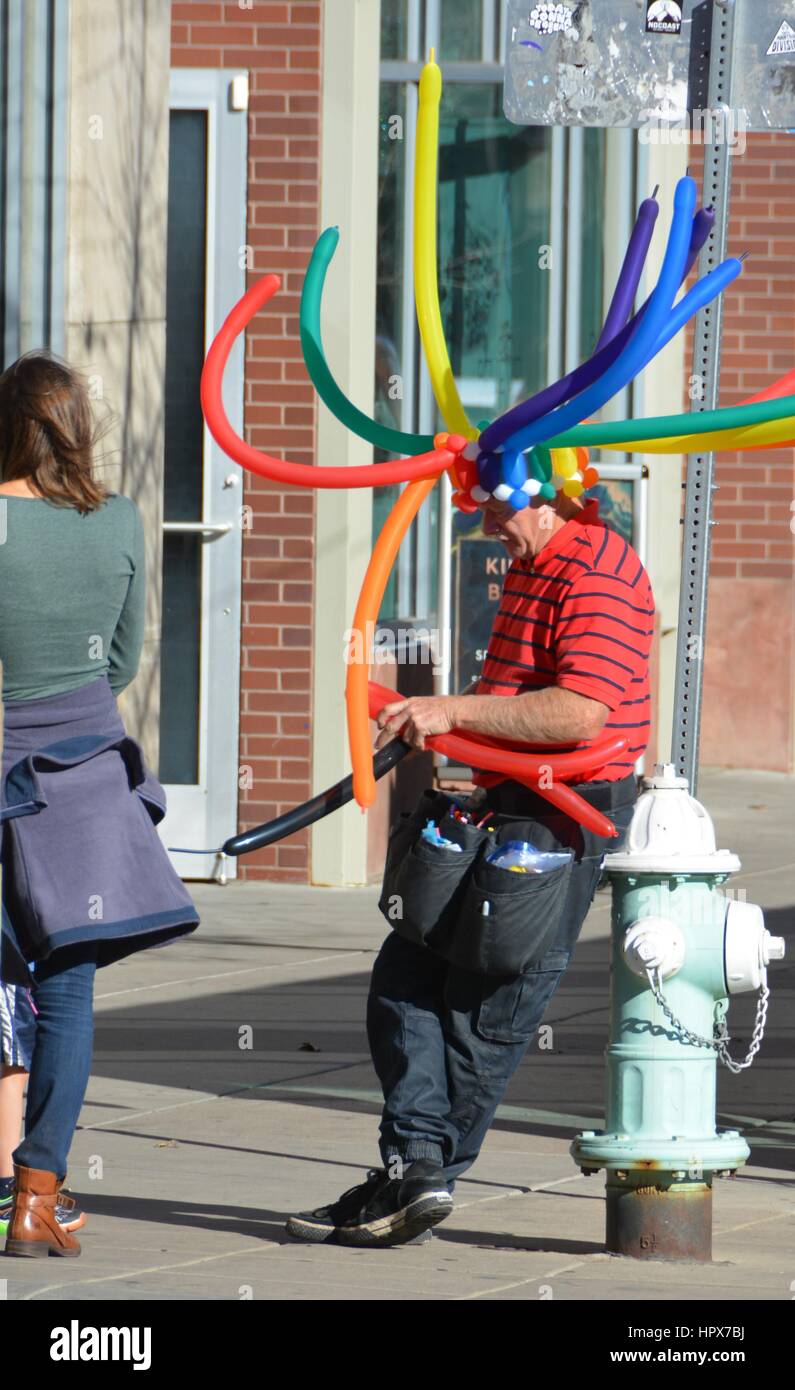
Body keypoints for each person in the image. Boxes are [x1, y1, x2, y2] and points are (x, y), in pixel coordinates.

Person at [287, 486, 653, 1246]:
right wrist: (480, 762)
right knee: (407, 971)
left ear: (545, 498)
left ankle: (413, 1178)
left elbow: (580, 708)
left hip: (565, 808)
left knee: (483, 1006)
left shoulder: (597, 572)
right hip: (509, 792)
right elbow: (524, 693)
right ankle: (413, 1171)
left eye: (493, 505)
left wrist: (453, 712)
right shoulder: (530, 558)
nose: (479, 522)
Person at [0, 351, 199, 1258]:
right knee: (66, 996)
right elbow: (121, 661)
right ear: (79, 429)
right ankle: (36, 1197)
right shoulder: (117, 519)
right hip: (81, 774)